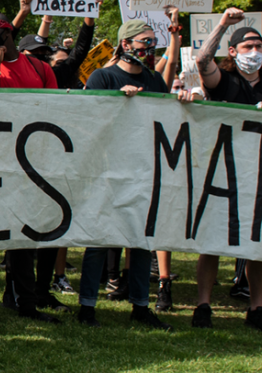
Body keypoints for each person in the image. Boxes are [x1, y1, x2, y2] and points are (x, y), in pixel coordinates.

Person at [191, 10, 262, 333]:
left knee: (258, 243)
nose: (254, 51)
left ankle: (256, 307)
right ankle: (203, 305)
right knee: (212, 242)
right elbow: (202, 61)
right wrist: (223, 25)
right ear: (233, 51)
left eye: (258, 46)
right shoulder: (225, 82)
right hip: (222, 173)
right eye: (247, 46)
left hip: (261, 176)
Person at [73, 20, 183, 329]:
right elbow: (88, 119)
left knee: (141, 240)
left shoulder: (153, 80)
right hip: (107, 169)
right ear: (126, 44)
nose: (150, 47)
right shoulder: (103, 77)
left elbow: (165, 117)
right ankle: (87, 306)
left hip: (143, 169)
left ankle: (140, 306)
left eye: (153, 42)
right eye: (145, 41)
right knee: (99, 240)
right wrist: (115, 100)